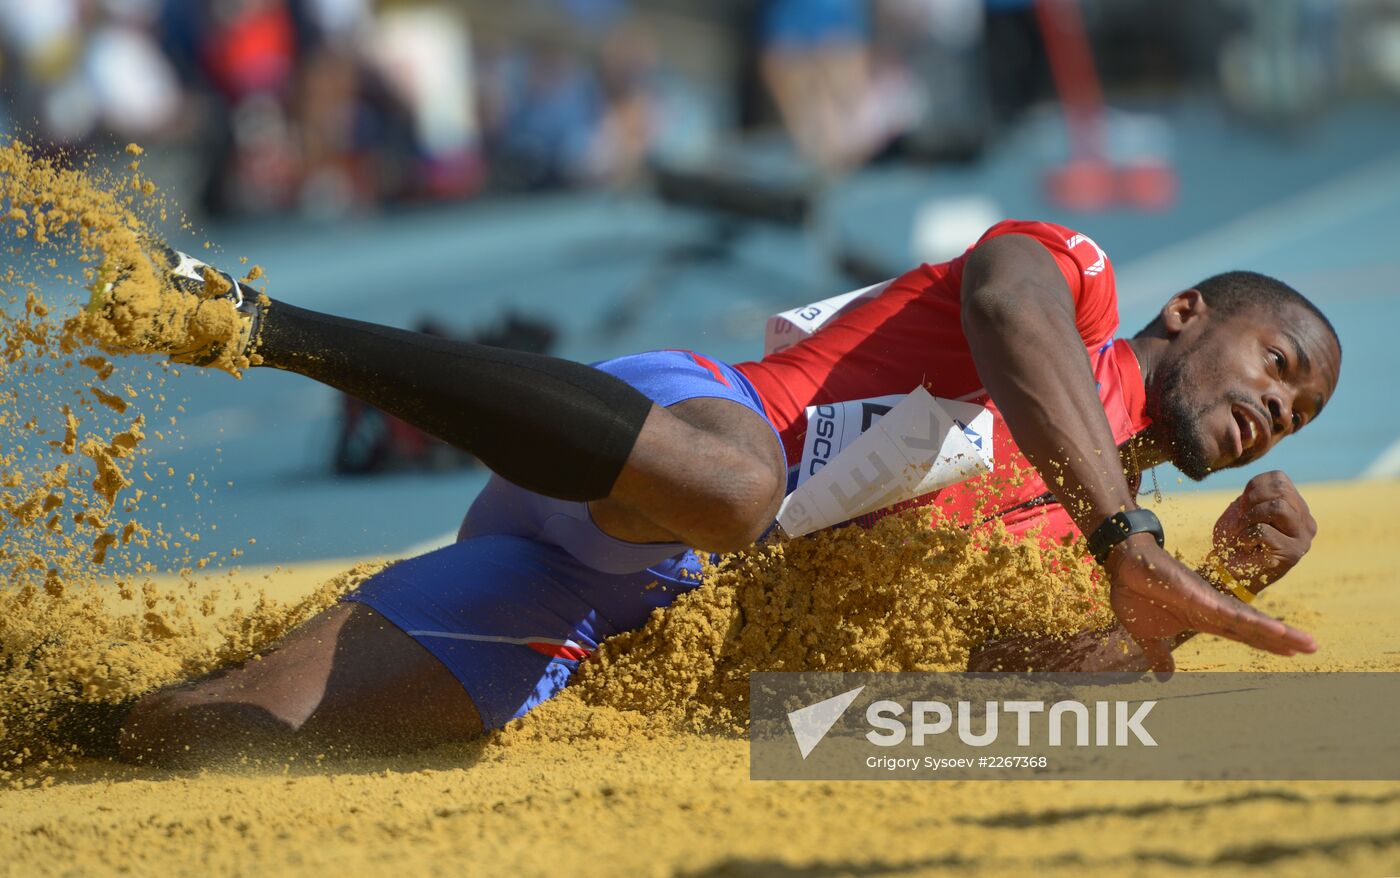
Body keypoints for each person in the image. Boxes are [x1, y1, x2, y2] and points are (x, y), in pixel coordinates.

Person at [76, 220, 1337, 766]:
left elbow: (1019, 688)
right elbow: (1001, 303)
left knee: (209, 734)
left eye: (1299, 414)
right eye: (1278, 364)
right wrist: (1126, 529)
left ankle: (51, 718)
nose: (1277, 408)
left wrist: (1192, 590)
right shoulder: (1079, 284)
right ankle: (266, 322)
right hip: (685, 431)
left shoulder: (1093, 542)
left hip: (595, 593)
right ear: (1190, 313)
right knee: (739, 488)